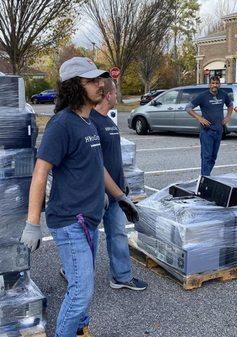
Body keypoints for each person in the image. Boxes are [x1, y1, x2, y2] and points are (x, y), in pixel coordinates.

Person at [19, 57, 138, 337]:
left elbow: (99, 167)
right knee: (81, 290)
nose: (100, 84)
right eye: (92, 81)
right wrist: (33, 223)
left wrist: (121, 197)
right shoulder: (62, 125)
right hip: (71, 221)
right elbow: (40, 172)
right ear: (74, 86)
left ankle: (80, 329)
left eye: (100, 79)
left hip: (89, 218)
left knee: (81, 286)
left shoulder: (88, 123)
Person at [88, 78, 148, 291]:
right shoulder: (91, 121)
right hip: (97, 194)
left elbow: (115, 157)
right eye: (115, 93)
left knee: (118, 234)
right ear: (108, 95)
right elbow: (92, 162)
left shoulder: (109, 121)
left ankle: (121, 277)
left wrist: (123, 185)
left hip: (117, 193)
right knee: (88, 239)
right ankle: (73, 272)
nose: (116, 96)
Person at [185, 76, 234, 176]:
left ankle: (206, 176)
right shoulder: (203, 96)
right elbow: (188, 108)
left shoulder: (223, 94)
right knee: (206, 156)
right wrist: (199, 118)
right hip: (207, 132)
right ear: (209, 85)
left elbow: (230, 105)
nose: (214, 85)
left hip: (218, 131)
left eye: (216, 83)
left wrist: (228, 116)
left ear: (219, 84)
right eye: (212, 83)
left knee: (213, 157)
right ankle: (205, 178)